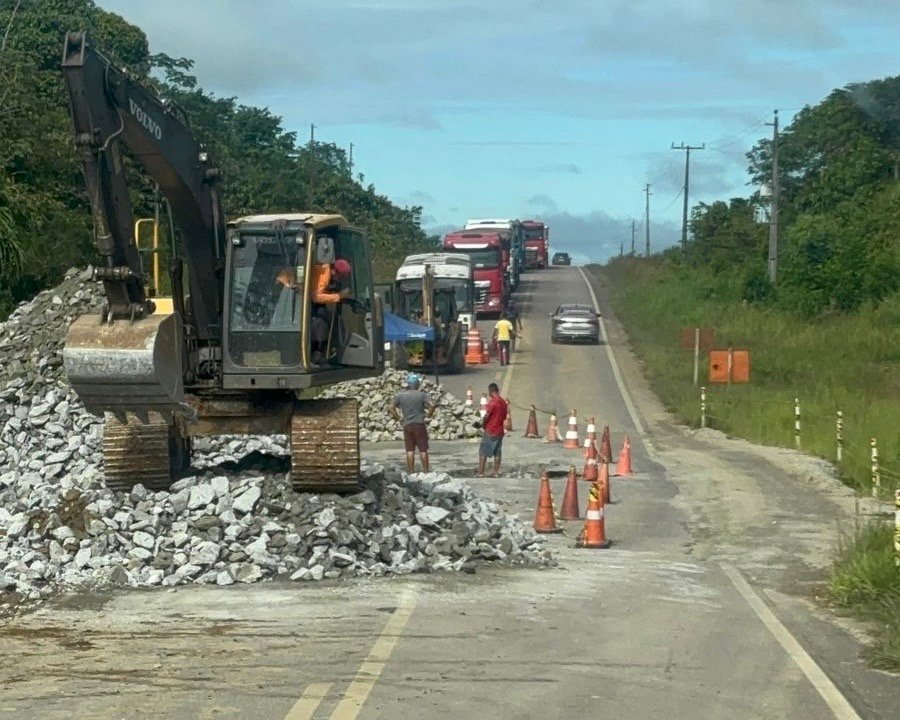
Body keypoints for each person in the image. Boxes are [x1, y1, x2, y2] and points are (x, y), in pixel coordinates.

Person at [392, 373, 436, 473]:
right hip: (419, 424)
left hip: (407, 425)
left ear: (408, 384)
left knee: (409, 450)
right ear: (417, 384)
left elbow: (391, 408)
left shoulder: (401, 396)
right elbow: (432, 405)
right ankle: (426, 471)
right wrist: (428, 415)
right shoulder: (422, 395)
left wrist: (399, 418)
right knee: (423, 449)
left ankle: (411, 472)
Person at [477, 382, 507, 477]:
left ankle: (481, 472)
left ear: (490, 391)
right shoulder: (503, 402)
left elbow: (486, 416)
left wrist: (482, 424)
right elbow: (504, 416)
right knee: (497, 452)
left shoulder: (493, 402)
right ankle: (496, 472)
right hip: (500, 431)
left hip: (491, 430)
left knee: (483, 451)